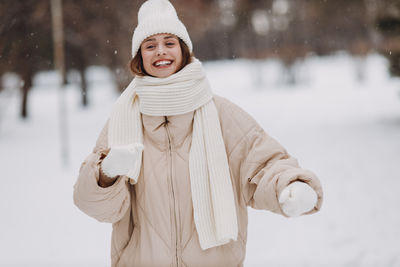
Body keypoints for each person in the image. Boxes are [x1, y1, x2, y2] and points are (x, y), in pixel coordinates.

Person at [73, 0, 323, 266]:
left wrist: (289, 184)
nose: (160, 51)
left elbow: (263, 163)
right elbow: (95, 205)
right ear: (140, 57)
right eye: (150, 45)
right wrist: (105, 174)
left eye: (169, 42)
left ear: (183, 50)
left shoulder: (220, 113)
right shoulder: (122, 121)